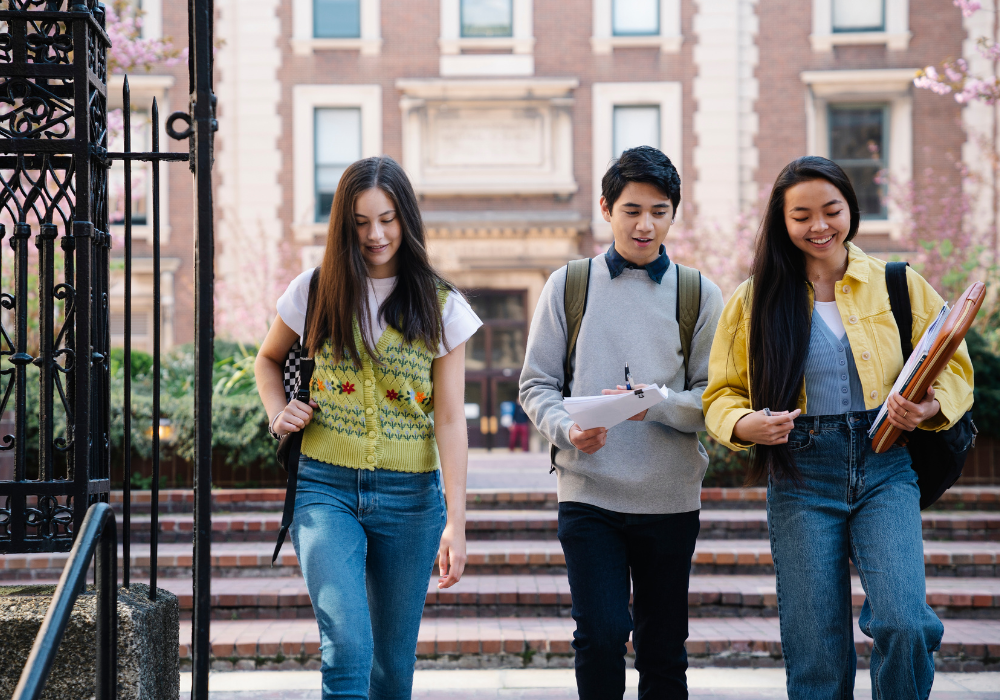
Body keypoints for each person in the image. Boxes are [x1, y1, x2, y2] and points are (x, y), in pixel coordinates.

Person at [702, 156, 974, 700]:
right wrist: (746, 423)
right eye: (801, 215)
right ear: (782, 222)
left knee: (905, 622)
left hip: (885, 465)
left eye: (832, 210)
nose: (819, 225)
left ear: (852, 207)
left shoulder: (898, 283)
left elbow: (956, 365)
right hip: (800, 472)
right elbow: (721, 395)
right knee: (817, 656)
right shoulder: (754, 299)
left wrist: (926, 410)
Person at [254, 156, 482, 700]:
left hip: (412, 501)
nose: (375, 235)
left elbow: (450, 419)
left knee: (391, 670)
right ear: (343, 225)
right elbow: (267, 360)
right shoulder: (313, 291)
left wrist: (457, 521)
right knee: (348, 652)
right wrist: (277, 412)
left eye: (387, 219)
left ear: (406, 219)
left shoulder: (442, 305)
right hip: (324, 487)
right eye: (360, 222)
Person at [519, 145, 724, 699]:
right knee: (602, 634)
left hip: (670, 498)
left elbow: (716, 398)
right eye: (632, 209)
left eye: (659, 210)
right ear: (607, 208)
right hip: (589, 491)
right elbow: (535, 384)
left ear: (673, 215)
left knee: (663, 647)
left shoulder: (698, 293)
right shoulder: (569, 285)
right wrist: (567, 428)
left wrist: (650, 403)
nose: (645, 223)